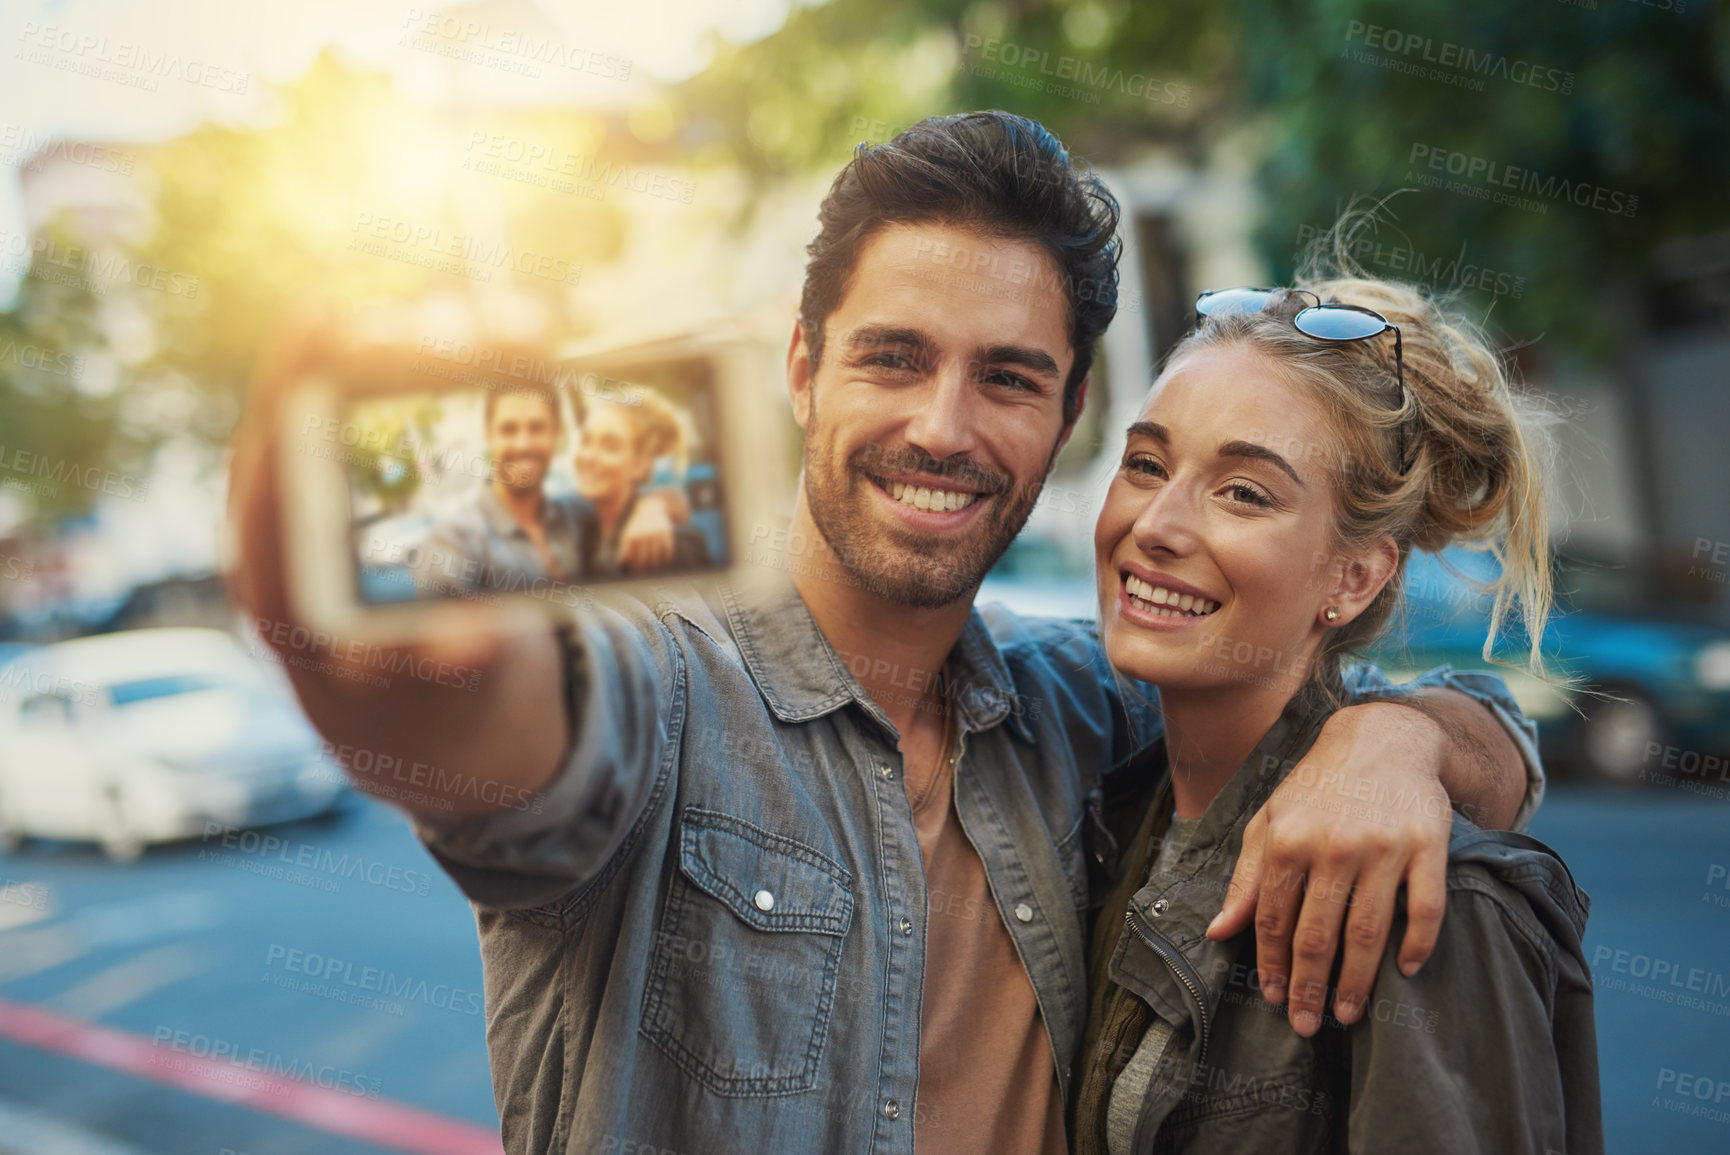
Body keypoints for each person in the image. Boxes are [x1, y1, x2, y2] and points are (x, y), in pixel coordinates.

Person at [229, 113, 1546, 1155]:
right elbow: (456, 715)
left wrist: (1404, 737)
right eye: (893, 357)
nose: (942, 426)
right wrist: (351, 608)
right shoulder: (660, 678)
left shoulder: (1086, 705)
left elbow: (1347, 702)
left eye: (1008, 376)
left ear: (1068, 412)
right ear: (801, 366)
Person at [1073, 277, 1601, 1154]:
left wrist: (1405, 736)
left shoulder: (1416, 890)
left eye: (1244, 493)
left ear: (1352, 577)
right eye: (1147, 464)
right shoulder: (1110, 802)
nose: (1158, 524)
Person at [413, 381, 684, 599]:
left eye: (537, 428)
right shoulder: (452, 540)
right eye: (508, 430)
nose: (523, 444)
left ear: (557, 435)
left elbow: (632, 500)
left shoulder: (577, 514)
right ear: (488, 436)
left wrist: (652, 505)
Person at [569, 388, 711, 576]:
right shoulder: (583, 530)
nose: (588, 457)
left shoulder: (668, 544)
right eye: (586, 441)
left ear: (640, 466)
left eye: (610, 447)